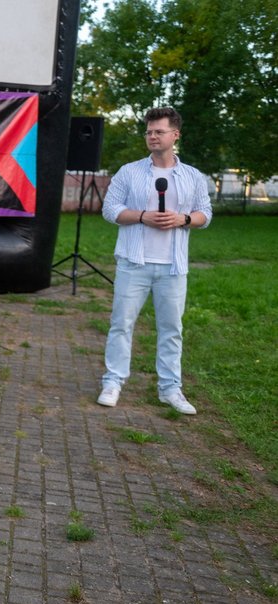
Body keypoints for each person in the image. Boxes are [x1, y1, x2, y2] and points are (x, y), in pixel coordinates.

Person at [97, 106, 211, 415]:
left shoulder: (192, 176)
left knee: (171, 328)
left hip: (173, 266)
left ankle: (170, 389)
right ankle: (113, 382)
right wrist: (142, 216)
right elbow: (110, 210)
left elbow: (205, 214)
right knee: (121, 324)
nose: (152, 136)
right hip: (134, 262)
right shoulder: (129, 172)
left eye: (159, 131)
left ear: (175, 135)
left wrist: (184, 218)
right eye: (149, 131)